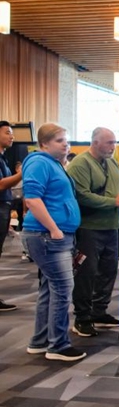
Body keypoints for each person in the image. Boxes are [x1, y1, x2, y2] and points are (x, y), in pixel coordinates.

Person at [21, 123, 85, 361]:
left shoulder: (54, 164)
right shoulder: (39, 162)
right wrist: (54, 228)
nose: (65, 144)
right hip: (47, 236)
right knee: (62, 289)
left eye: (66, 140)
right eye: (59, 140)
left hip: (52, 235)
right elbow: (32, 199)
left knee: (50, 289)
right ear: (44, 144)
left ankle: (39, 341)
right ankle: (58, 345)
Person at [67, 127, 119, 337]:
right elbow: (81, 196)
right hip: (88, 228)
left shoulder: (113, 162)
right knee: (86, 273)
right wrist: (114, 201)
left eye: (114, 143)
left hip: (112, 227)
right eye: (109, 143)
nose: (113, 147)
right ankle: (82, 317)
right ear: (95, 142)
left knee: (108, 270)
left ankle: (99, 311)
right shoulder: (80, 164)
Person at [0, 121, 23, 311]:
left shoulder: (3, 158)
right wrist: (21, 174)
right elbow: (1, 185)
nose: (12, 136)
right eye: (8, 132)